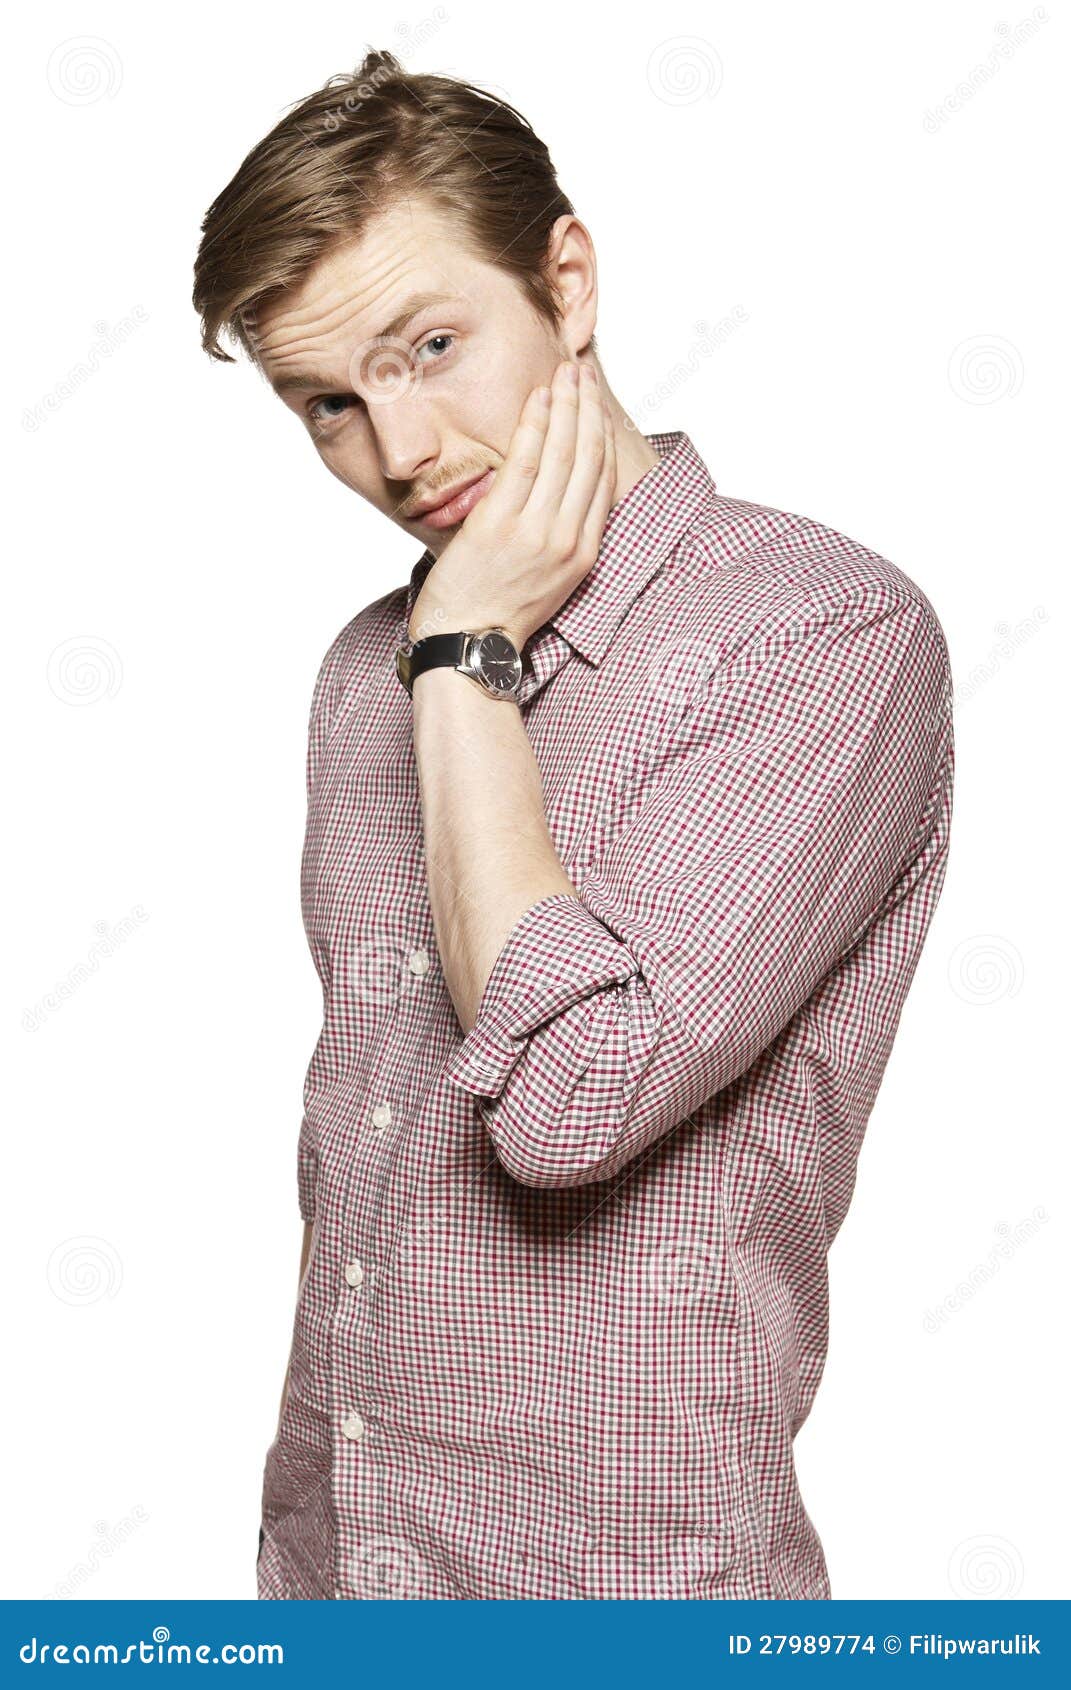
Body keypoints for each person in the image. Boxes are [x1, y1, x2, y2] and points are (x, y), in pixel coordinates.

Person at [192, 48, 954, 1601]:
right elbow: (365, 1134)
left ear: (570, 281)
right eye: (330, 403)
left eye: (432, 347)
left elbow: (567, 1109)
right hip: (336, 1570)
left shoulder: (819, 632)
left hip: (631, 1591)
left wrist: (470, 663)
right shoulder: (365, 670)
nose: (400, 451)